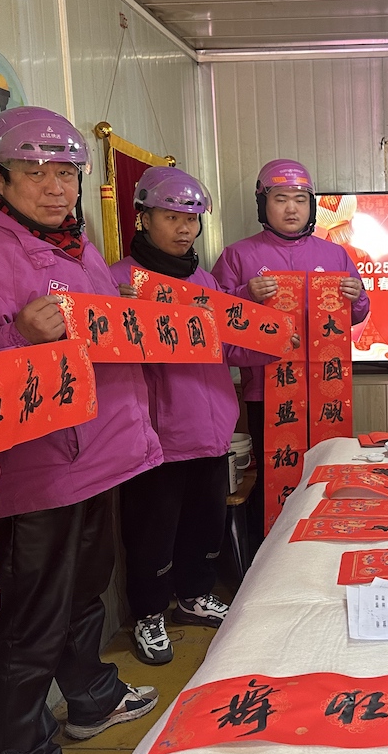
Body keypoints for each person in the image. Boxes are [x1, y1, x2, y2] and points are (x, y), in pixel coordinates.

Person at [0, 106, 163, 754]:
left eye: (66, 172)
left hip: (98, 455)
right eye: (35, 173)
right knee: (28, 622)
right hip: (33, 473)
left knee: (85, 592)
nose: (56, 187)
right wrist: (16, 338)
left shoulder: (75, 245)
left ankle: (91, 697)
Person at [110, 166, 275, 664]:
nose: (185, 229)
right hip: (157, 436)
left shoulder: (205, 282)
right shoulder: (118, 281)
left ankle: (194, 595)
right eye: (171, 217)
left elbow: (232, 349)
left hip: (211, 428)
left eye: (192, 219)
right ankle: (148, 613)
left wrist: (269, 334)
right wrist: (118, 313)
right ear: (143, 218)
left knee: (205, 522)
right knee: (152, 530)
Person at [211, 158, 369, 554]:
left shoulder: (334, 255)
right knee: (274, 476)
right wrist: (246, 294)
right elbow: (215, 316)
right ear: (263, 203)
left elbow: (357, 312)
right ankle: (272, 558)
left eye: (300, 199)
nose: (291, 209)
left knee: (325, 470)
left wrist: (356, 298)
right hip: (267, 391)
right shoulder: (237, 255)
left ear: (311, 205)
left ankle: (325, 549)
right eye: (280, 199)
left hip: (326, 390)